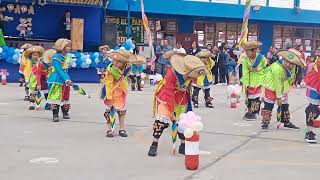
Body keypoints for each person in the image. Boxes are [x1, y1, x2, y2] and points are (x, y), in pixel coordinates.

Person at [148, 51, 208, 157]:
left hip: (182, 97)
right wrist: (171, 112)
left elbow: (192, 85)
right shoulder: (172, 73)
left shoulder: (192, 73)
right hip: (166, 96)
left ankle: (183, 145)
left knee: (183, 122)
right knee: (161, 121)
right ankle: (154, 144)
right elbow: (168, 91)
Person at [260, 48, 306, 130]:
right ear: (283, 59)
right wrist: (278, 98)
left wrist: (286, 90)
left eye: (292, 63)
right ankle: (265, 122)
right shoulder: (276, 68)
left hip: (282, 86)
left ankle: (286, 121)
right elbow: (277, 83)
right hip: (271, 86)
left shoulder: (293, 68)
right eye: (287, 61)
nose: (288, 65)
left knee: (285, 105)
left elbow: (290, 79)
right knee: (269, 104)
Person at [100, 49, 135, 137]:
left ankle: (121, 128)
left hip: (122, 90)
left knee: (121, 110)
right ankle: (110, 129)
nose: (115, 63)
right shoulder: (110, 69)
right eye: (114, 60)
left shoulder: (128, 67)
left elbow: (125, 76)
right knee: (110, 109)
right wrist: (110, 98)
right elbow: (108, 85)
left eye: (118, 61)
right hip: (111, 90)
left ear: (124, 63)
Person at [47, 38, 73, 122]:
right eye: (68, 46)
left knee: (65, 96)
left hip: (65, 78)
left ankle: (65, 112)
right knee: (56, 96)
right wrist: (66, 79)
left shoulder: (67, 56)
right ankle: (55, 114)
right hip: (57, 79)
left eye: (69, 46)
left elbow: (65, 70)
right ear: (62, 47)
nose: (70, 48)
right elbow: (59, 70)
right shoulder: (56, 58)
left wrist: (68, 79)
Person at [241, 41, 268, 120]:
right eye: (245, 51)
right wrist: (245, 84)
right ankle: (249, 112)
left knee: (256, 98)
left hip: (259, 80)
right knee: (249, 98)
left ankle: (254, 113)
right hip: (249, 81)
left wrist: (258, 69)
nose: (246, 53)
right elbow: (245, 72)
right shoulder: (245, 60)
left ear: (254, 50)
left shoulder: (262, 58)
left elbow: (266, 68)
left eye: (247, 51)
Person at [24, 46, 45, 110]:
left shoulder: (41, 62)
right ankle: (31, 104)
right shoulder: (29, 61)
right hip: (32, 78)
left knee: (39, 92)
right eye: (34, 55)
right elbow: (27, 70)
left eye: (36, 55)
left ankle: (38, 104)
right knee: (32, 92)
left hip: (39, 78)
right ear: (31, 55)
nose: (35, 56)